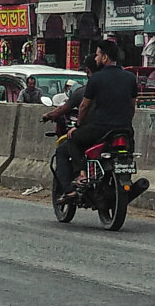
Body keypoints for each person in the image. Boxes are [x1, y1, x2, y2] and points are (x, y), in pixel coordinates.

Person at [52, 38, 137, 195]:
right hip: (125, 130)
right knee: (129, 154)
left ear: (105, 57)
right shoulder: (130, 77)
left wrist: (77, 125)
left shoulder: (96, 79)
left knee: (72, 139)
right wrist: (125, 123)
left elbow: (84, 106)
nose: (96, 58)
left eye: (98, 55)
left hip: (100, 129)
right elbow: (132, 106)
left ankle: (82, 174)